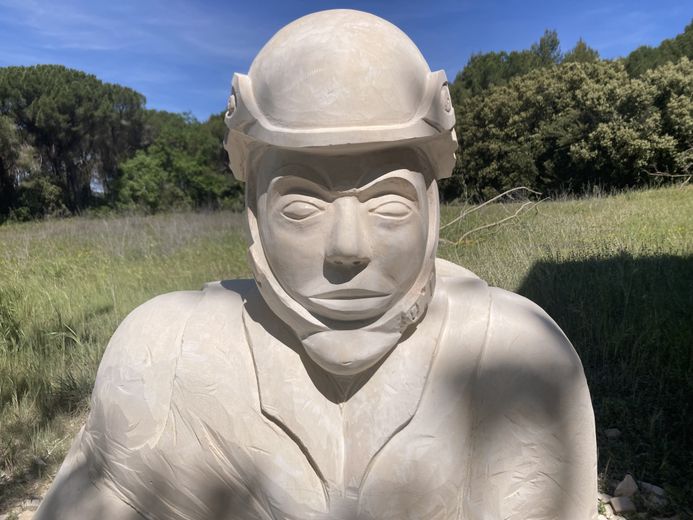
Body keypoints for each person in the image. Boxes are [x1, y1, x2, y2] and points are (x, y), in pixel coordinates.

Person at [36, 9, 597, 520]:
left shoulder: (513, 354)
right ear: (254, 211)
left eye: (389, 202)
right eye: (302, 205)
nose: (348, 248)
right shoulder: (166, 355)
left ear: (431, 205)